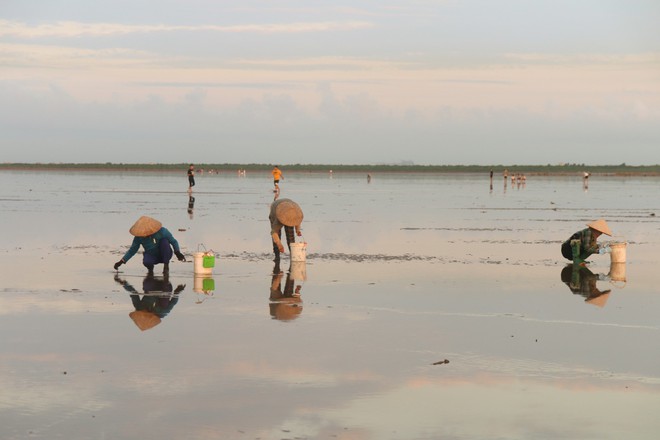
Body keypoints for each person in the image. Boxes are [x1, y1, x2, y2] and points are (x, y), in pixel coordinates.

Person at [114, 216, 186, 274]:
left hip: (165, 254)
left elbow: (173, 241)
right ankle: (150, 269)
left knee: (165, 242)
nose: (144, 234)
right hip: (151, 256)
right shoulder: (138, 237)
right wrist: (122, 261)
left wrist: (177, 252)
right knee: (146, 262)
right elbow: (132, 250)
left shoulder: (162, 231)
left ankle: (166, 266)